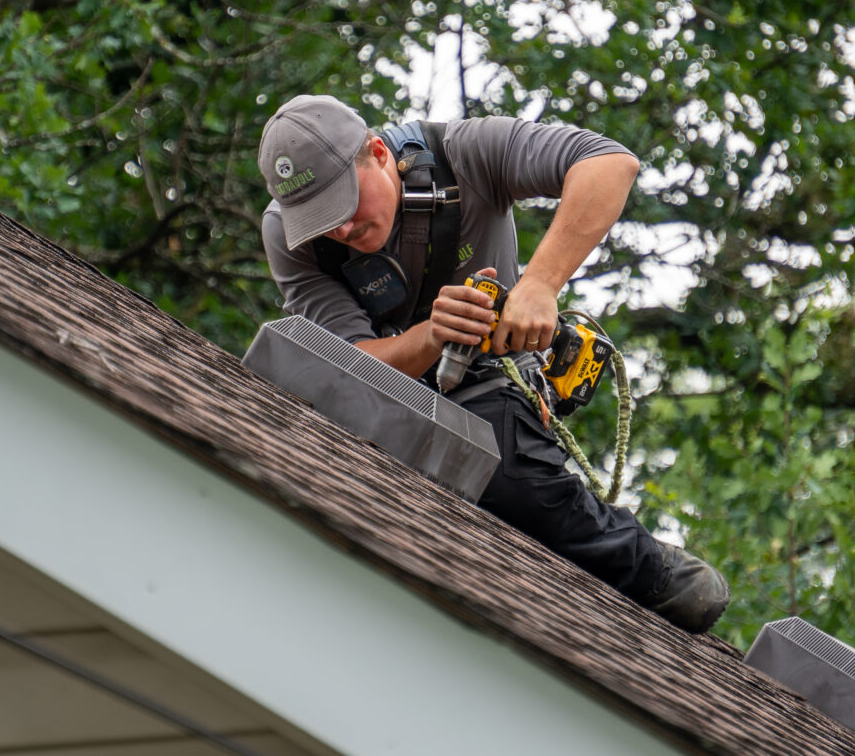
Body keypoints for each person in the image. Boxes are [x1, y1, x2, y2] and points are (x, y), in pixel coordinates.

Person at [257, 94, 728, 633]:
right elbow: (347, 369)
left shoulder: (465, 154)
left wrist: (540, 284)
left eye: (344, 204)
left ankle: (652, 571)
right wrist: (431, 336)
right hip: (379, 407)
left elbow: (609, 163)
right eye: (320, 218)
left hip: (486, 385)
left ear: (380, 153)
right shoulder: (291, 237)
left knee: (512, 475)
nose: (338, 230)